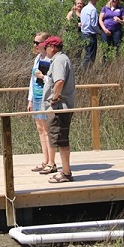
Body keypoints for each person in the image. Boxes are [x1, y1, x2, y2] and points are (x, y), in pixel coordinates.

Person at [38, 35, 76, 183]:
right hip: (61, 106)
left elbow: (59, 81)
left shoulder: (59, 61)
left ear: (52, 47)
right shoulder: (62, 59)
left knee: (61, 139)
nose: (45, 50)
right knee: (60, 139)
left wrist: (54, 98)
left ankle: (66, 173)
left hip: (60, 107)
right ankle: (64, 171)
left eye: (46, 47)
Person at [28, 32, 57, 175]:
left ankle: (52, 162)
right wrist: (30, 99)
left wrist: (42, 76)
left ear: (45, 44)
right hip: (37, 97)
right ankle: (45, 160)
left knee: (48, 130)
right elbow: (32, 80)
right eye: (34, 42)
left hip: (47, 98)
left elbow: (53, 80)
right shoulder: (37, 58)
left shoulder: (52, 60)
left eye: (37, 42)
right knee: (40, 129)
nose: (35, 45)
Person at [79, 0, 99, 69]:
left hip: (84, 33)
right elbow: (93, 24)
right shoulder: (93, 9)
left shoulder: (84, 9)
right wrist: (99, 31)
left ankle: (84, 70)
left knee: (87, 53)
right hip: (91, 34)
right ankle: (87, 71)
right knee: (91, 55)